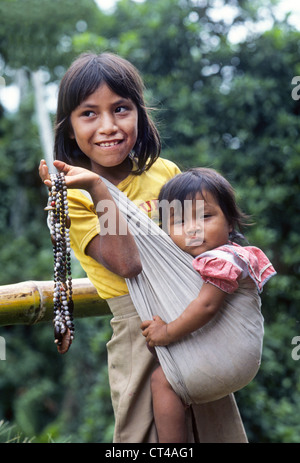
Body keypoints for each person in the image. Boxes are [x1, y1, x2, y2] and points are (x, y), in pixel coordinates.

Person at [39, 51, 182, 443]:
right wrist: (99, 188)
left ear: (139, 113)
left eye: (120, 109)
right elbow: (127, 263)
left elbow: (197, 245)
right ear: (68, 128)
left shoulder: (165, 173)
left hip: (191, 319)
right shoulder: (75, 199)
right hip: (138, 337)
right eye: (89, 114)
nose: (108, 126)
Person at [141, 167, 276, 443]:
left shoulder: (221, 259)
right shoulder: (224, 257)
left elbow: (205, 307)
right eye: (178, 222)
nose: (193, 228)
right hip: (239, 364)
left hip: (229, 359)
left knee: (161, 382)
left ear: (229, 223)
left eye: (205, 216)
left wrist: (165, 333)